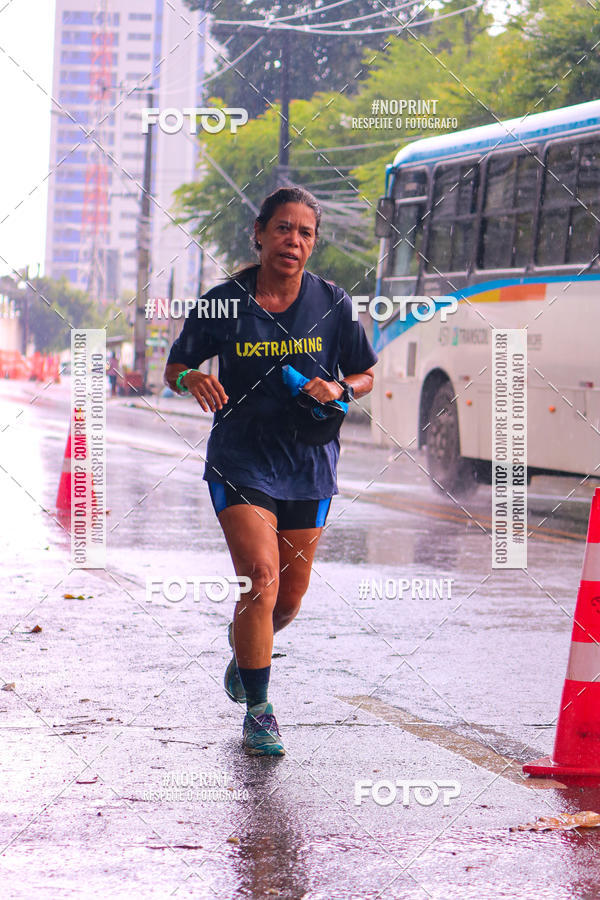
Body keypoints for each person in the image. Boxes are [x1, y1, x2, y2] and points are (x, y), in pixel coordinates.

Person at [164, 186, 377, 757]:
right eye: (283, 228)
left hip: (309, 460)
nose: (293, 240)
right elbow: (175, 365)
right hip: (242, 456)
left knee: (288, 600)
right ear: (258, 234)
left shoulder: (333, 303)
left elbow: (366, 375)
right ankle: (260, 710)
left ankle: (246, 658)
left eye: (305, 232)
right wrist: (192, 379)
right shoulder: (224, 302)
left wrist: (339, 386)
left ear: (313, 244)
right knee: (260, 576)